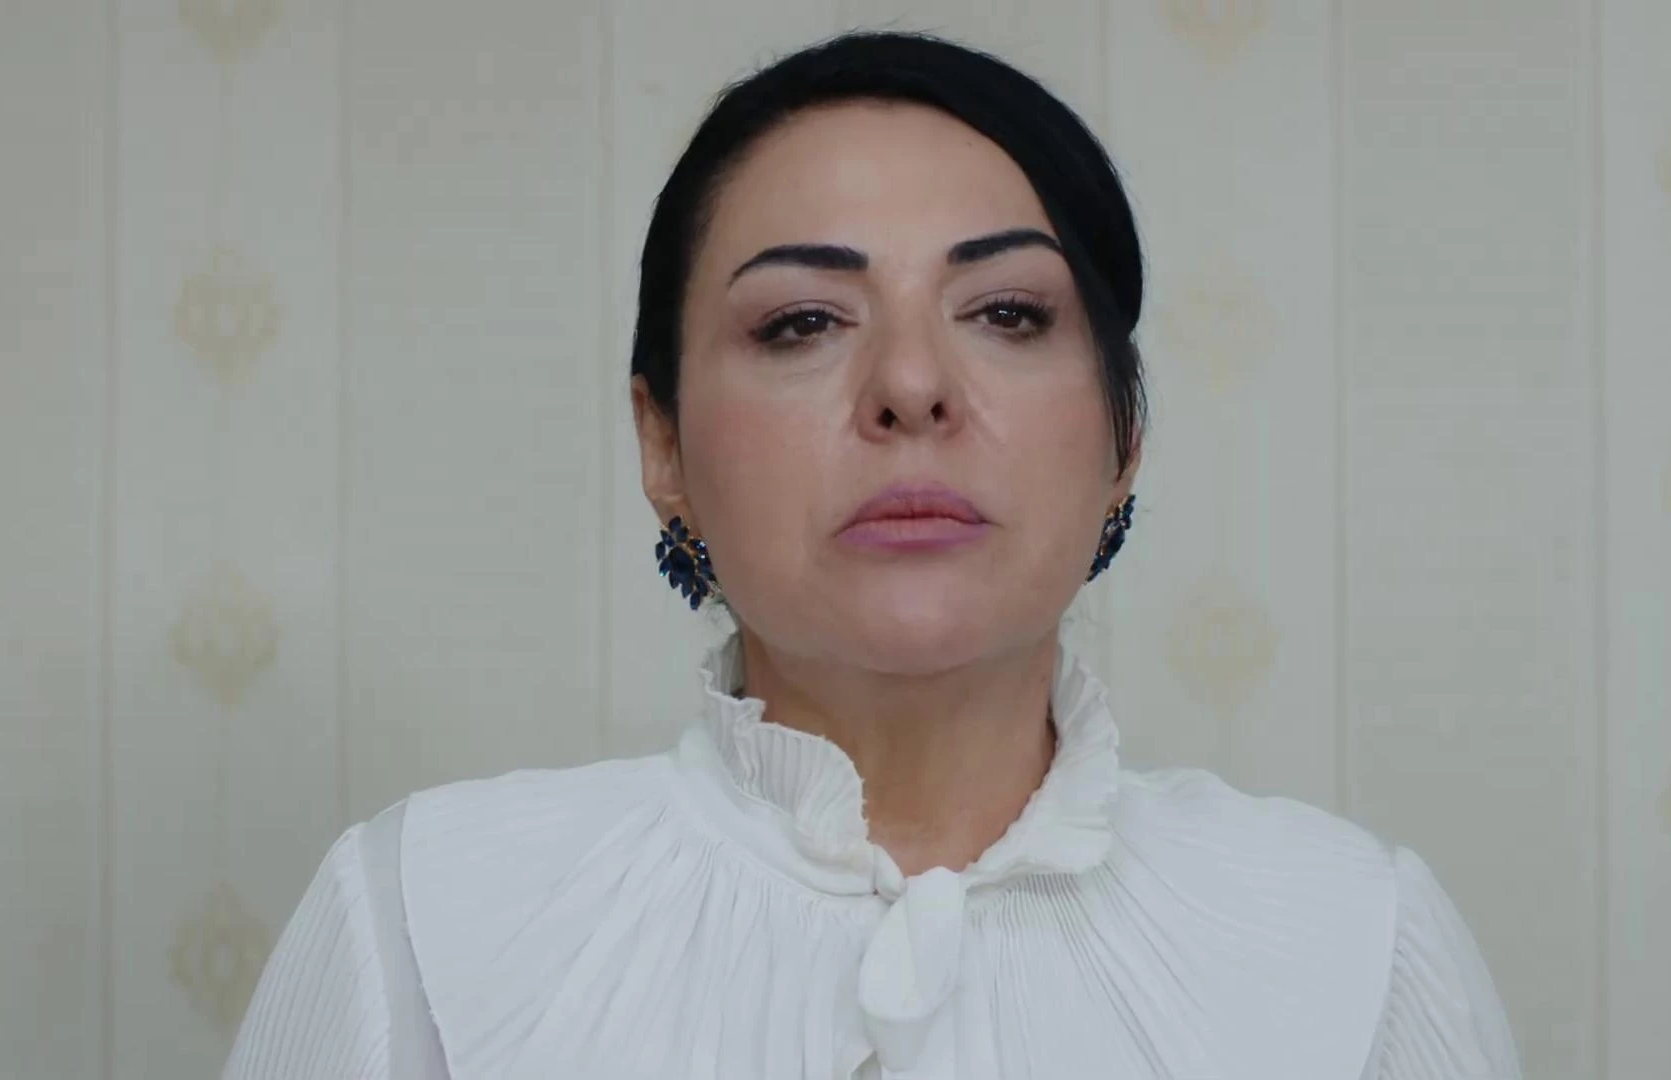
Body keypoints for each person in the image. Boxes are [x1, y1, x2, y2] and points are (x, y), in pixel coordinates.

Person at [223, 31, 1521, 1080]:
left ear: (1125, 433)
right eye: (802, 322)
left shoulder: (1356, 941)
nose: (909, 384)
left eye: (1006, 311)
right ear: (662, 441)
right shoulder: (427, 920)